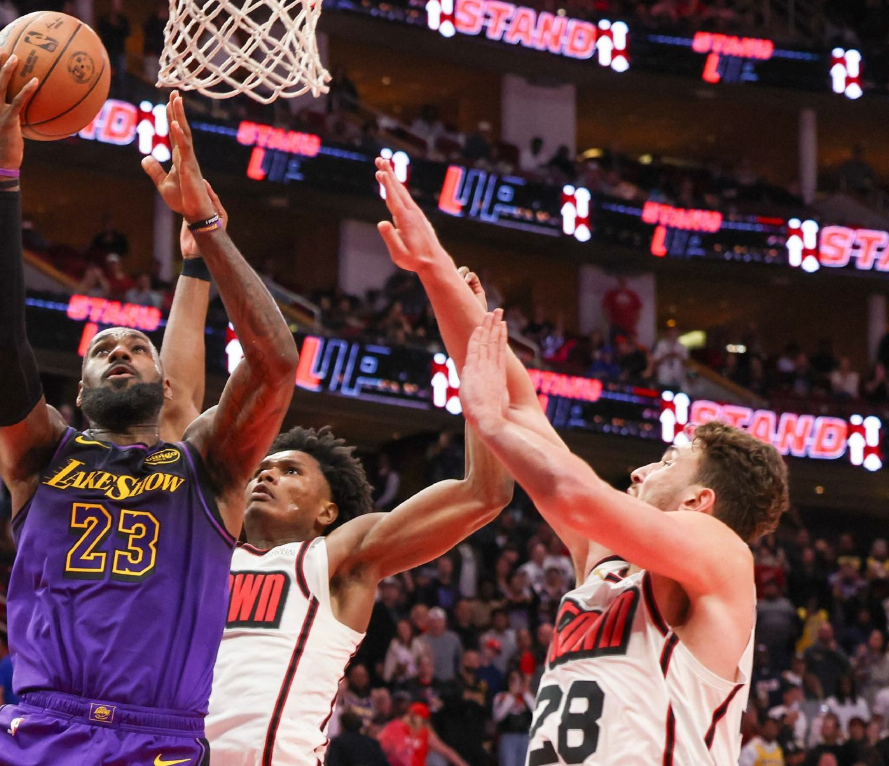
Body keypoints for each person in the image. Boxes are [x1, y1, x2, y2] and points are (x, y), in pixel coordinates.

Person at [376, 157, 790, 766]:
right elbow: (516, 400)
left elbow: (571, 491)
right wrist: (433, 267)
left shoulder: (722, 554)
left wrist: (490, 425)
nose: (640, 471)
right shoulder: (609, 561)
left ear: (699, 500)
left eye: (667, 462)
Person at [0, 62, 296, 766]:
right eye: (102, 350)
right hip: (41, 729)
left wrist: (208, 231)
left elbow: (275, 363)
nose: (120, 351)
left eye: (138, 348)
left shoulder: (206, 465)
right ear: (80, 391)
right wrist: (2, 175)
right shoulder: (40, 455)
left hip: (159, 737)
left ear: (163, 385)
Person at [188, 184, 511, 765]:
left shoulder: (336, 559)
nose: (266, 476)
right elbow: (175, 408)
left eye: (289, 470)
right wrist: (194, 263)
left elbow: (484, 493)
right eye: (264, 468)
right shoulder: (206, 556)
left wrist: (471, 348)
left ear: (327, 511)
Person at [378, 702, 467, 766]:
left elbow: (447, 752)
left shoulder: (426, 734)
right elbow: (378, 746)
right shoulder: (394, 727)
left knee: (437, 760)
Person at [493, 669, 535, 766]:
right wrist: (511, 697)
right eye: (514, 681)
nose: (517, 684)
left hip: (525, 736)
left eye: (520, 681)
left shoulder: (527, 697)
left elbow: (537, 711)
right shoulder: (501, 697)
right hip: (508, 736)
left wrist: (526, 694)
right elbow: (497, 717)